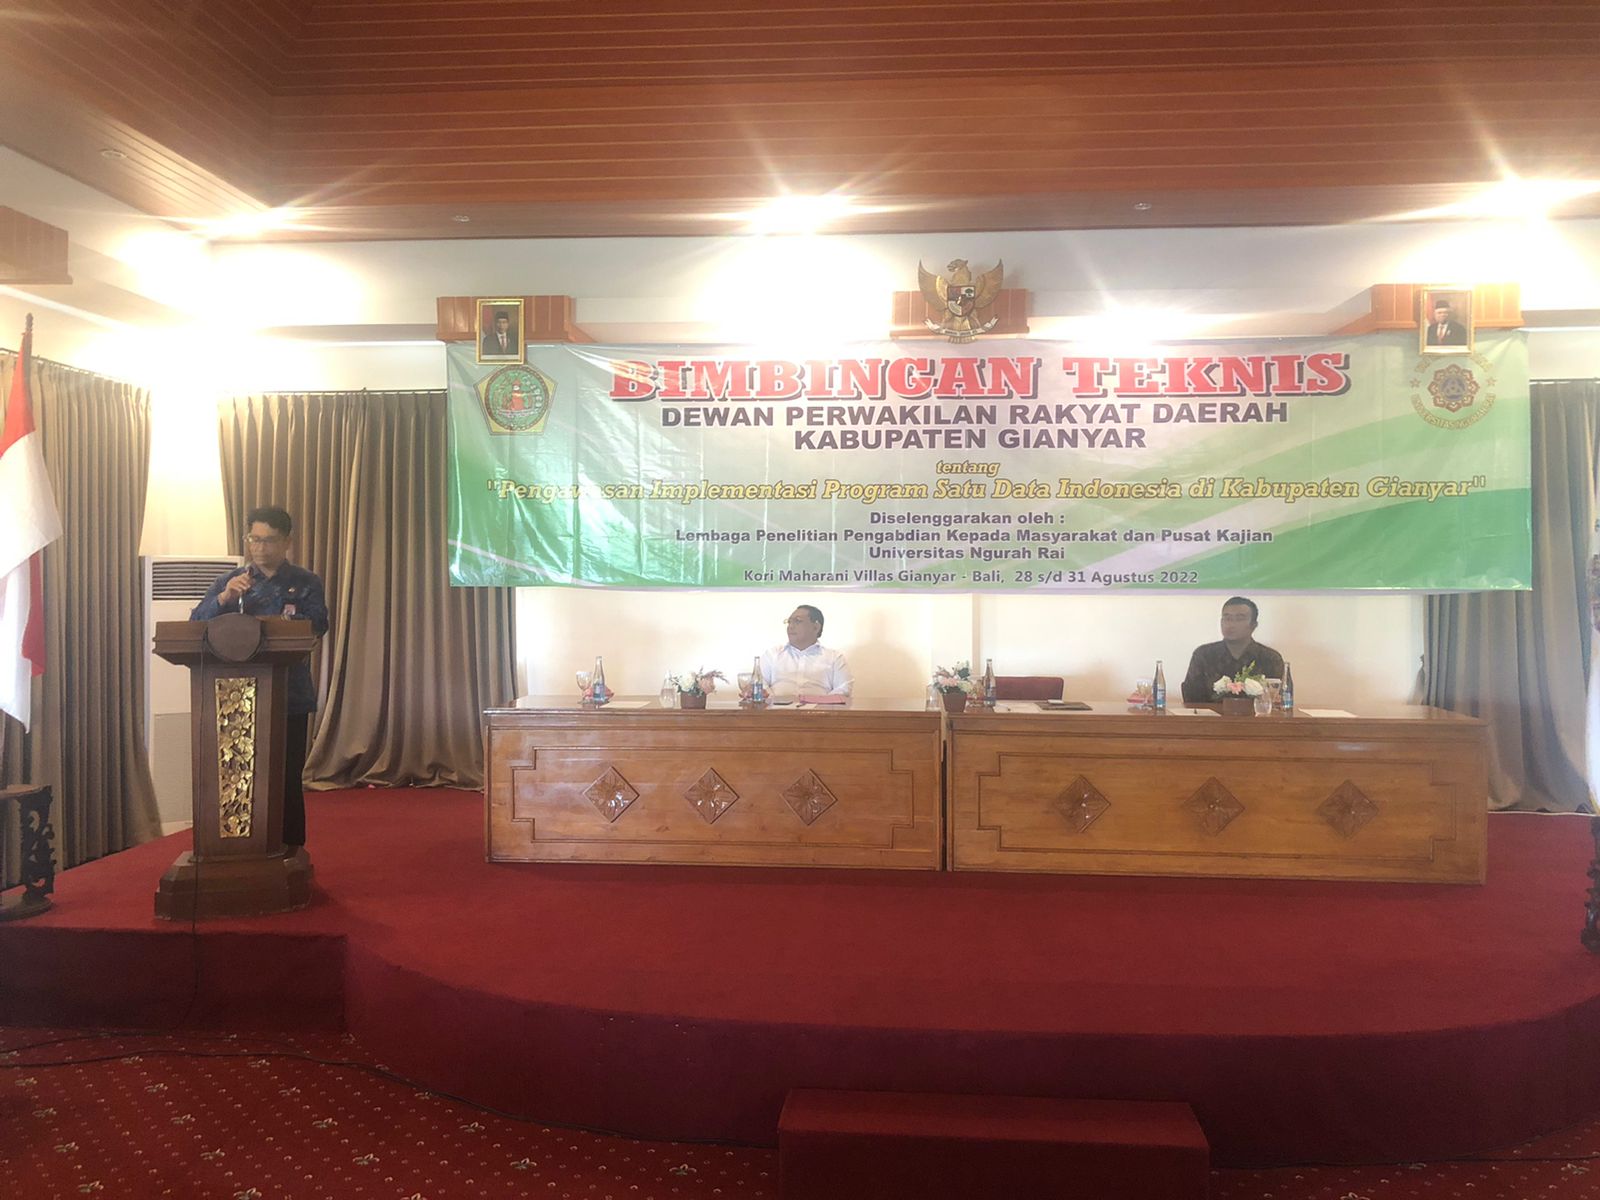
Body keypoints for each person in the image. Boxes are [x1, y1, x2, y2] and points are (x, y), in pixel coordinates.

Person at [191, 506, 329, 852]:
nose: (260, 548)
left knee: (285, 774)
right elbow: (196, 622)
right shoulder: (231, 581)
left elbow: (318, 624)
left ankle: (291, 848)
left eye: (269, 540)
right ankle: (237, 847)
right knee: (237, 772)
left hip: (288, 695)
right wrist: (225, 598)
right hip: (235, 697)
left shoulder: (305, 582)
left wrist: (277, 625)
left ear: (287, 542)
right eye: (254, 539)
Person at [1180, 596, 1284, 704]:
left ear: (1253, 625)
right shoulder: (1204, 655)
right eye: (1227, 618)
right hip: (1210, 715)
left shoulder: (1270, 658)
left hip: (1256, 715)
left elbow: (1279, 700)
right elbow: (1191, 699)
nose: (1231, 624)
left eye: (1239, 619)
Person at [757, 604, 853, 699]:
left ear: (816, 627)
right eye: (789, 622)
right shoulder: (772, 655)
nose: (790, 626)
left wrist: (820, 702)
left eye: (797, 621)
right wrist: (775, 702)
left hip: (820, 708)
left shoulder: (834, 658)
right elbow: (759, 685)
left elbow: (844, 688)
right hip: (776, 707)